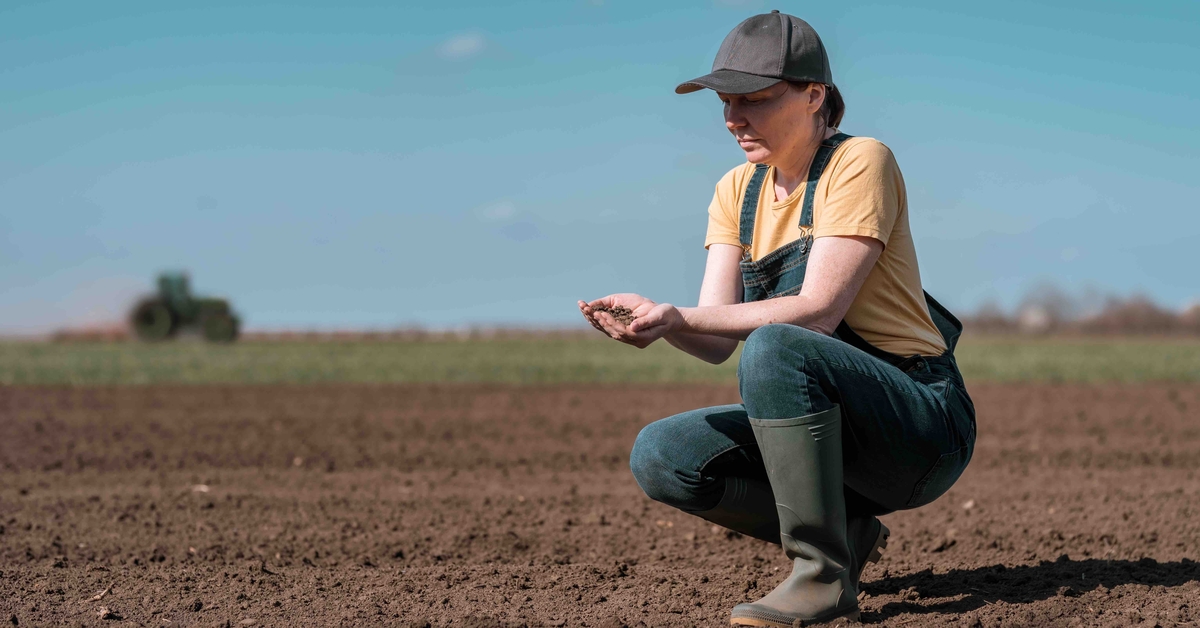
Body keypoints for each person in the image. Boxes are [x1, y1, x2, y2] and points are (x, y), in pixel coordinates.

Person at [577, 11, 976, 627]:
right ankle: (848, 537)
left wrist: (686, 314)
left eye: (754, 100)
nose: (734, 119)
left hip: (918, 422)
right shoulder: (735, 191)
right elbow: (714, 339)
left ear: (815, 95)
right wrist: (661, 322)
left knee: (776, 345)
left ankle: (820, 577)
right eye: (727, 102)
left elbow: (816, 312)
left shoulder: (860, 162)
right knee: (663, 454)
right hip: (834, 433)